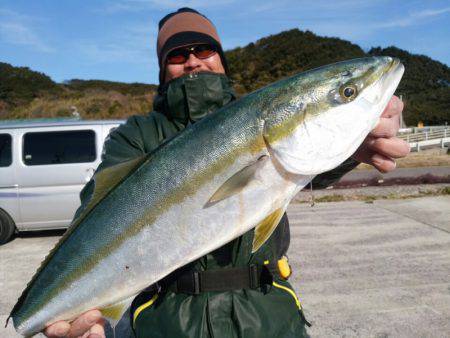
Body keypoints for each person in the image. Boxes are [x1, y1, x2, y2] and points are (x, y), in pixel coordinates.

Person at [44, 8, 409, 338]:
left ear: (220, 57)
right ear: (162, 67)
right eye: (177, 53)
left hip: (267, 317)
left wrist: (353, 148)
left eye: (204, 49)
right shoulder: (136, 135)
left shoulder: (253, 116)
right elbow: (97, 213)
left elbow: (306, 158)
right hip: (166, 323)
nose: (192, 61)